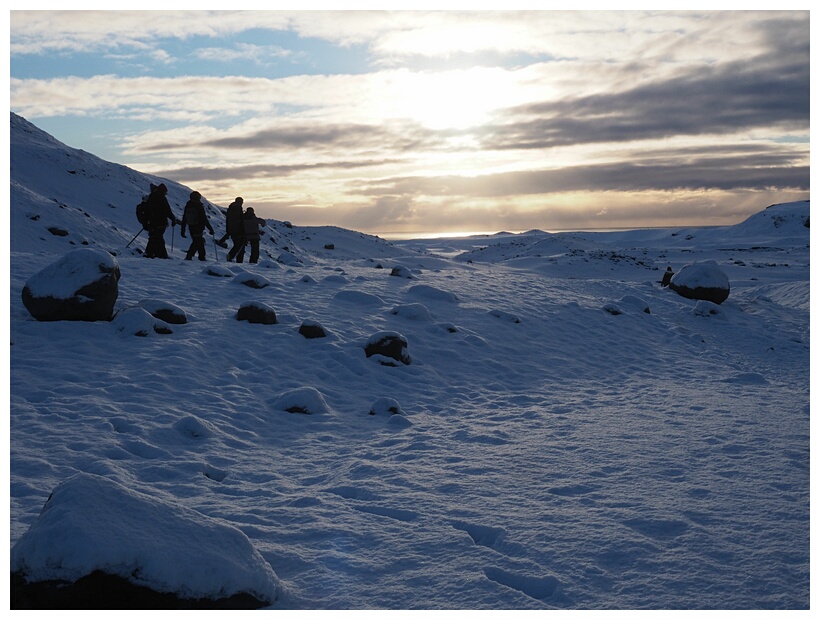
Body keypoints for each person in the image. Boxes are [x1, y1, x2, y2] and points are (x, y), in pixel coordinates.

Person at [142, 183, 179, 259]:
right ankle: (156, 254)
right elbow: (167, 210)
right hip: (161, 222)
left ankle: (154, 253)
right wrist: (173, 219)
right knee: (157, 237)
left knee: (155, 237)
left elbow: (147, 210)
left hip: (152, 222)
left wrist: (146, 222)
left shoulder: (151, 197)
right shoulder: (162, 198)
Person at [180, 191, 215, 261]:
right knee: (197, 241)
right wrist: (210, 229)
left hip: (191, 226)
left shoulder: (188, 205)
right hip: (198, 226)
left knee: (199, 241)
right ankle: (190, 256)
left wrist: (182, 230)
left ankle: (201, 257)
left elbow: (184, 218)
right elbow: (204, 218)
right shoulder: (199, 206)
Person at [225, 197, 246, 262]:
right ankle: (237, 260)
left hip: (232, 230)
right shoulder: (238, 208)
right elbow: (240, 220)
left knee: (237, 245)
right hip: (238, 230)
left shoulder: (231, 208)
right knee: (240, 245)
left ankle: (231, 256)